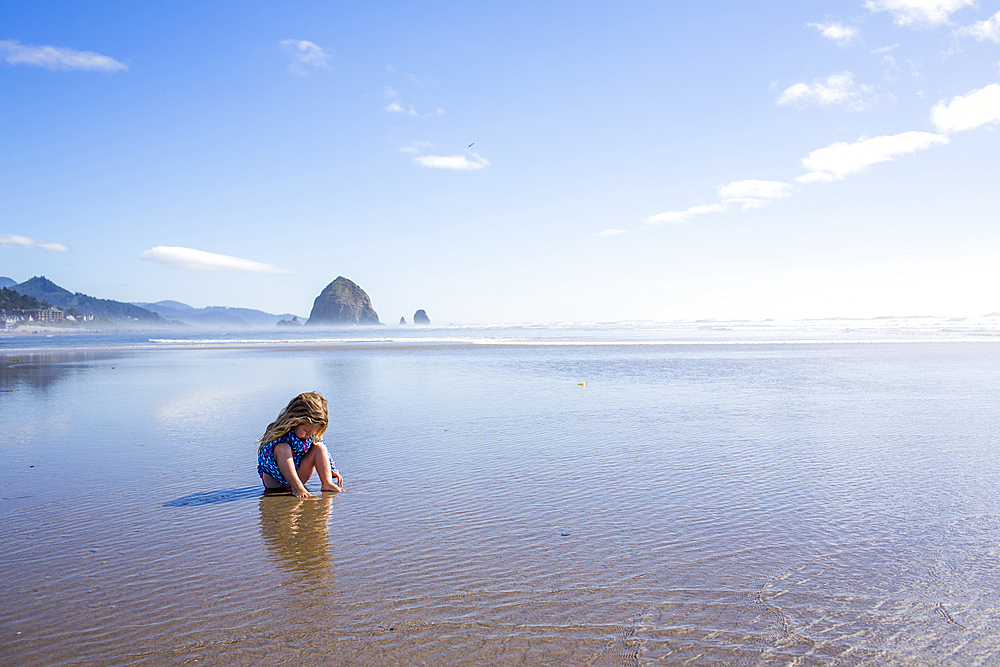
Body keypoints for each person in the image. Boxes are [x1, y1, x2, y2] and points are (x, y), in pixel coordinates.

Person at [257, 392, 344, 497]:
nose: (309, 434)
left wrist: (331, 469)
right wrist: (282, 477)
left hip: (297, 476)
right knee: (283, 448)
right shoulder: (281, 434)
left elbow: (325, 453)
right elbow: (264, 459)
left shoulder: (310, 436)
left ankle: (327, 483)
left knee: (319, 447)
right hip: (275, 479)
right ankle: (297, 487)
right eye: (306, 430)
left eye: (313, 432)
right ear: (295, 420)